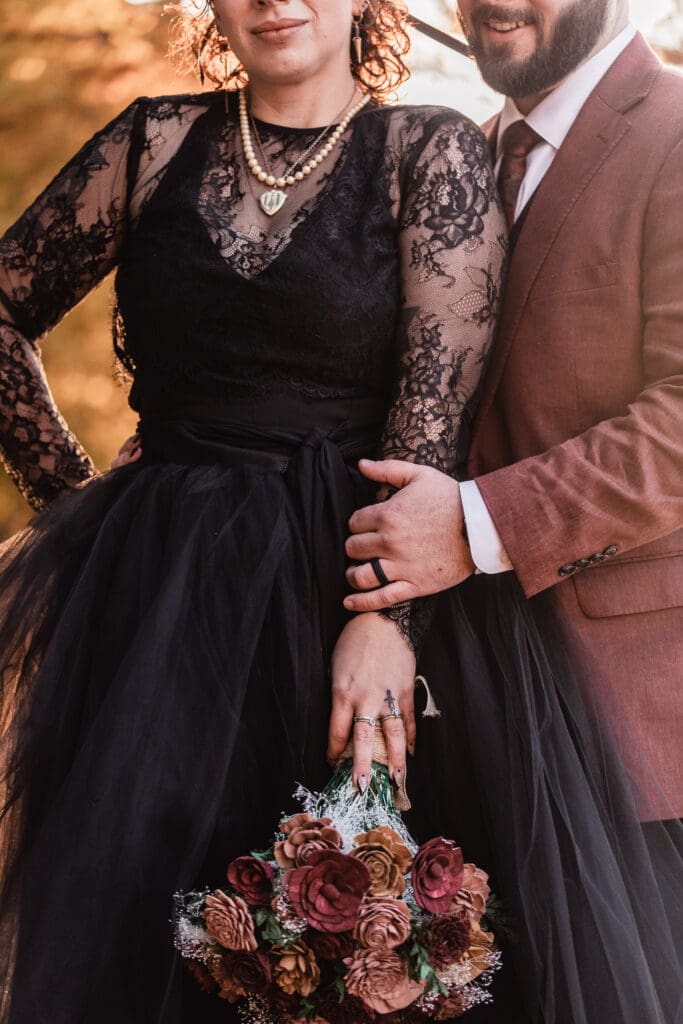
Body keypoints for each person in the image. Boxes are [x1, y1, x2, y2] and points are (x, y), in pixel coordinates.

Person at [0, 1, 507, 1021]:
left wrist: (386, 620)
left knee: (335, 946)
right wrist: (78, 504)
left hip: (339, 592)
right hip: (151, 603)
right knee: (136, 930)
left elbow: (429, 421)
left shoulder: (427, 152)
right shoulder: (150, 141)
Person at [344, 1, 683, 1021]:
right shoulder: (464, 155)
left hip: (635, 735)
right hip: (456, 718)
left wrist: (476, 523)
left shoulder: (673, 134)